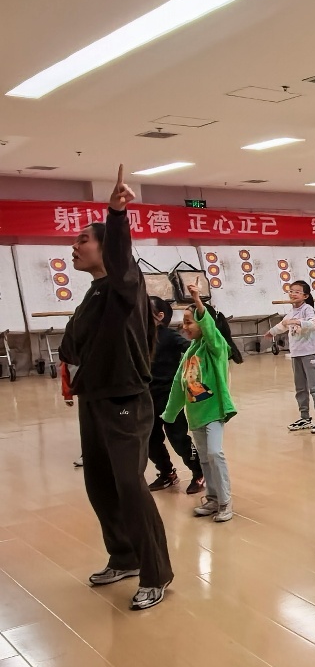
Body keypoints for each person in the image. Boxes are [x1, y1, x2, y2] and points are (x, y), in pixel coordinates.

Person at [60, 165, 173, 610]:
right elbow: (74, 346)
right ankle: (123, 557)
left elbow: (123, 258)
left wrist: (117, 215)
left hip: (125, 400)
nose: (74, 247)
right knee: (100, 483)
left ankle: (155, 573)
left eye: (82, 240)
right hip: (94, 400)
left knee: (129, 483)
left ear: (105, 247)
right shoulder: (93, 293)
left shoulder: (125, 285)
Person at [163, 281, 237, 524]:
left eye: (189, 322)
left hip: (213, 411)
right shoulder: (189, 352)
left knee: (215, 453)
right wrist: (169, 414)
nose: (184, 327)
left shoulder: (216, 347)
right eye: (183, 323)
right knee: (204, 458)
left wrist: (197, 300)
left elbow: (210, 329)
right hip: (195, 415)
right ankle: (213, 498)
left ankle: (225, 501)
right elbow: (179, 384)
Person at [146, 297, 205, 495]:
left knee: (178, 438)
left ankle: (199, 471)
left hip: (169, 397)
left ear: (160, 316)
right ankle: (167, 473)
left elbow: (193, 350)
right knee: (150, 439)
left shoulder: (169, 336)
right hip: (146, 397)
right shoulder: (137, 336)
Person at [266, 280, 315, 433]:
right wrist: (271, 332)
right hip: (296, 354)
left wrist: (297, 321)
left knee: (314, 387)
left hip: (309, 353)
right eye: (291, 291)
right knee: (300, 387)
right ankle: (304, 417)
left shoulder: (308, 309)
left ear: (305, 296)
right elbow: (283, 325)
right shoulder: (291, 311)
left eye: (297, 292)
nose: (292, 294)